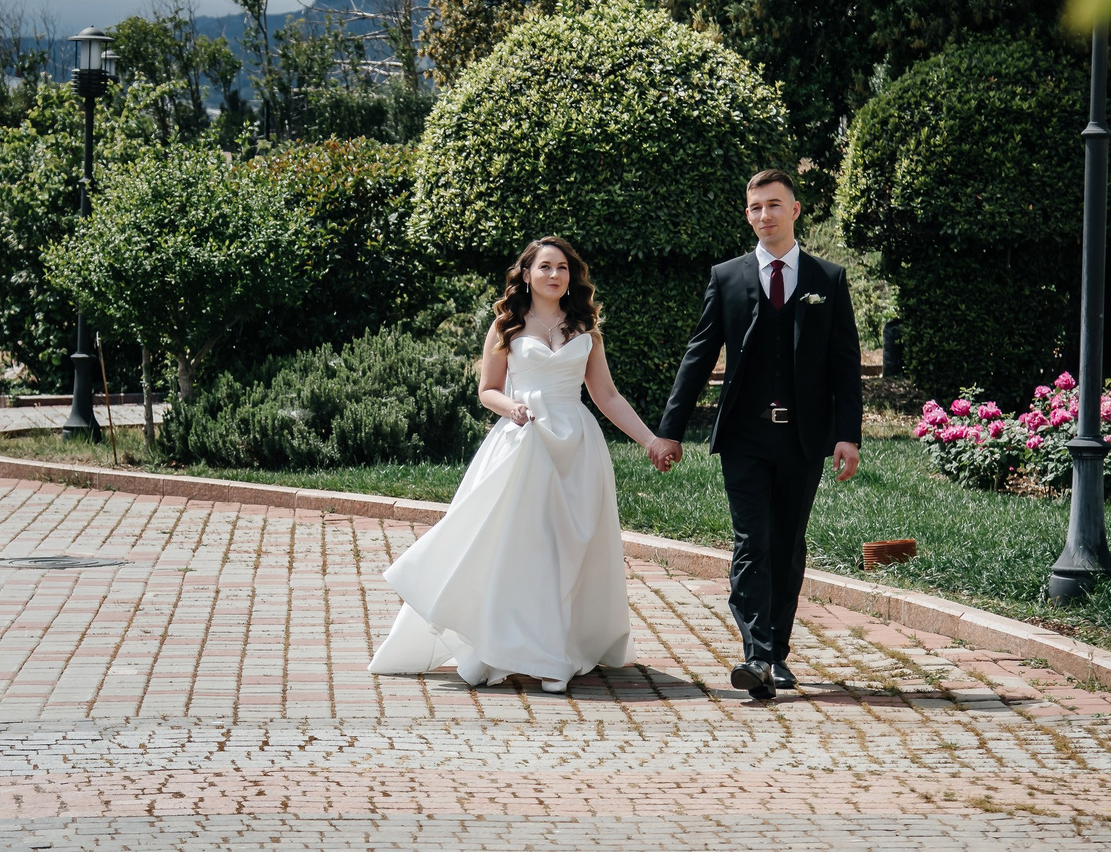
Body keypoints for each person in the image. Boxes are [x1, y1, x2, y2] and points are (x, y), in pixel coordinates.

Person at [369, 236, 674, 693]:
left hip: (577, 448)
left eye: (563, 268)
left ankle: (560, 648)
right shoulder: (506, 326)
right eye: (545, 267)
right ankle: (537, 656)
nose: (555, 275)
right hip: (524, 442)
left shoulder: (585, 329)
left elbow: (606, 395)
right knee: (528, 548)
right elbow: (487, 389)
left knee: (567, 550)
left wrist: (650, 440)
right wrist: (510, 407)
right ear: (526, 274)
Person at [655, 170, 862, 701]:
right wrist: (670, 431)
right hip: (744, 436)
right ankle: (757, 656)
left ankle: (777, 655)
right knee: (752, 541)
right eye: (754, 208)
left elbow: (845, 365)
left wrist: (847, 434)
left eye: (774, 205)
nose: (764, 215)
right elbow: (699, 355)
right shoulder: (727, 277)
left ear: (795, 211)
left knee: (787, 544)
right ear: (746, 214)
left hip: (803, 438)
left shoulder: (828, 280)